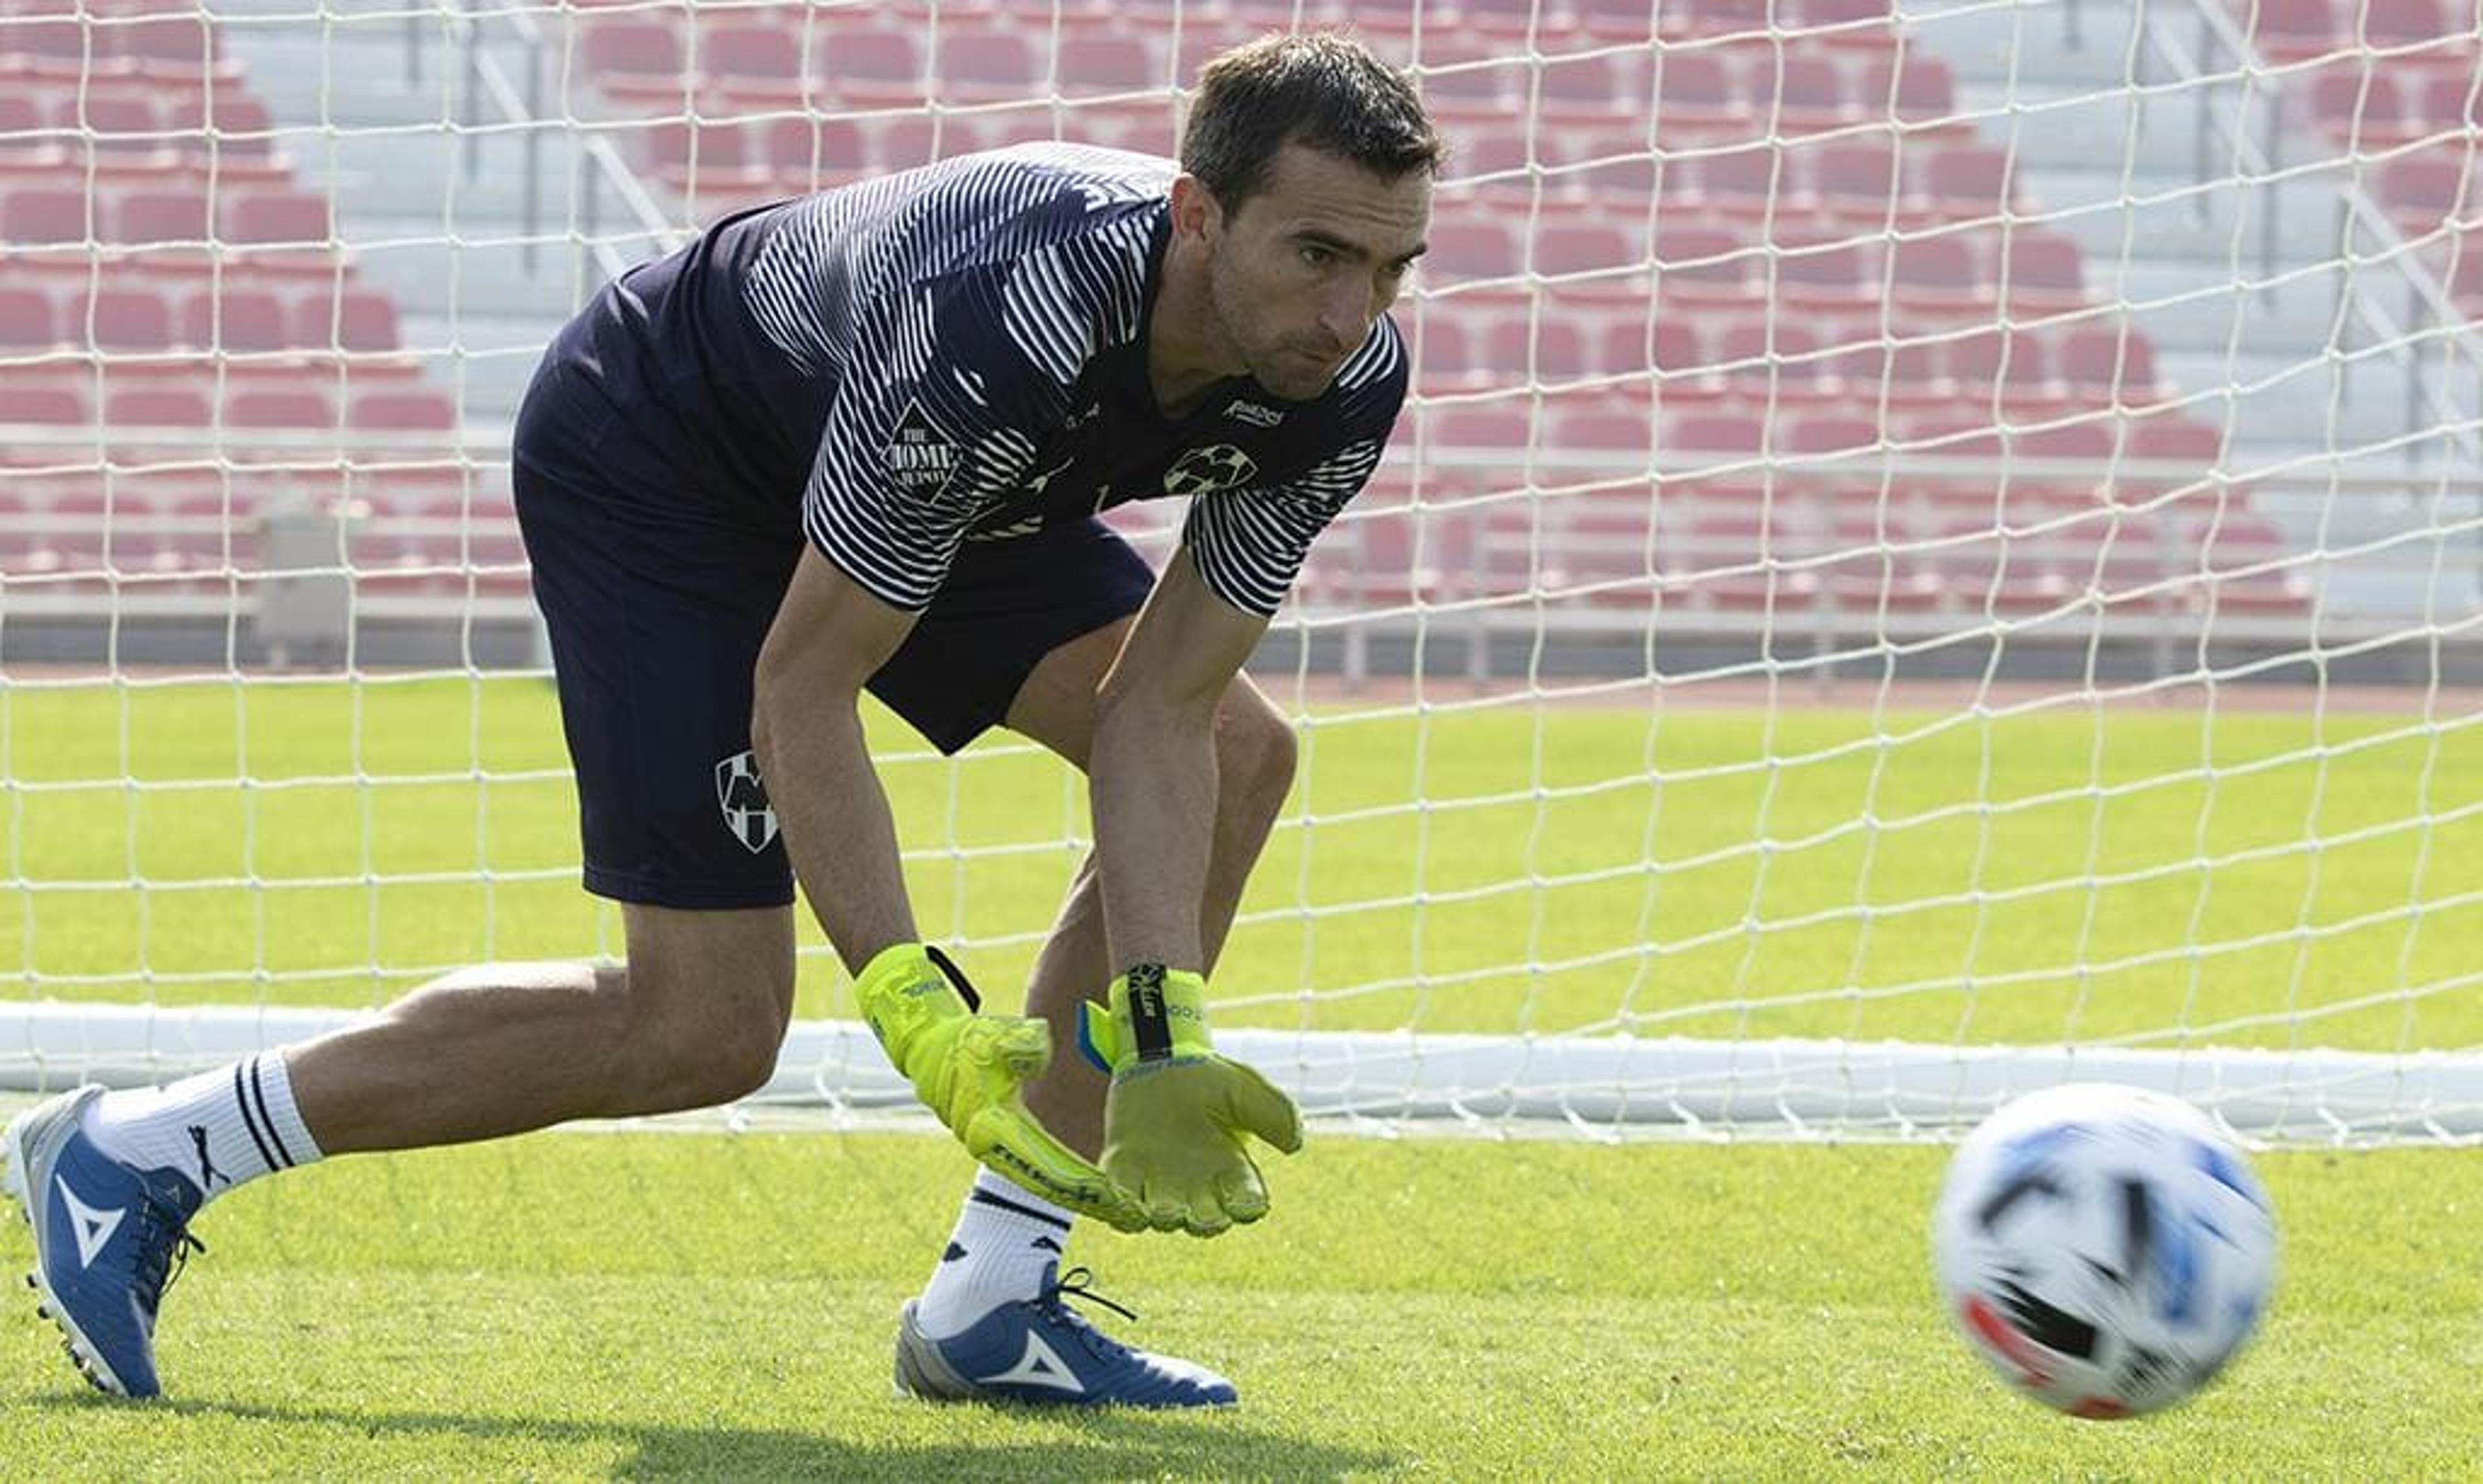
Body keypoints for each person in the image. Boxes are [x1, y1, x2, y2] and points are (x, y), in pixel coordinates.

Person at [3, 32, 1440, 1407]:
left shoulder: (1346, 380)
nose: (1349, 313)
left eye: (1388, 267)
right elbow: (804, 684)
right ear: (1198, 214)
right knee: (707, 1023)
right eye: (1317, 254)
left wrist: (1162, 1016)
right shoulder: (1005, 313)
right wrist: (910, 1001)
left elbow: (1163, 713)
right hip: (674, 455)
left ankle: (997, 1294)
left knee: (1246, 747)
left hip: (951, 474)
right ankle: (136, 1153)